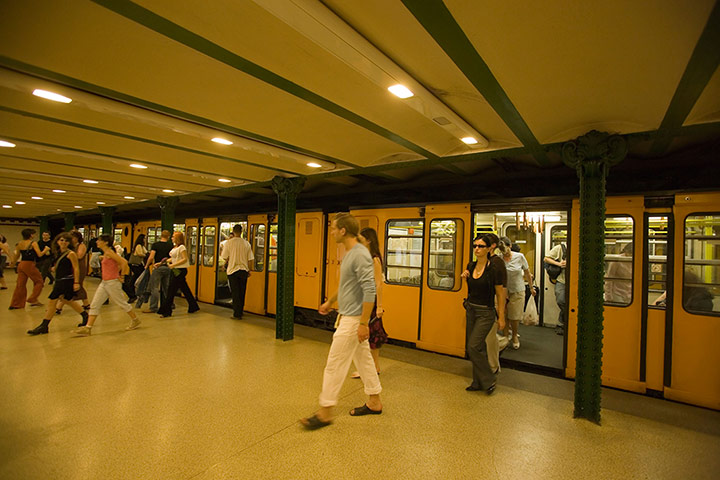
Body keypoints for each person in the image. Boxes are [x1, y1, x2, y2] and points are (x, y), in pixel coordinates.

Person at [300, 213, 382, 430]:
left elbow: (369, 290)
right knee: (364, 361)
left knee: (334, 364)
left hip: (354, 320)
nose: (333, 231)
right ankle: (374, 401)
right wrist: (330, 301)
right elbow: (345, 284)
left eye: (335, 228)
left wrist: (364, 322)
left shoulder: (360, 255)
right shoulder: (350, 253)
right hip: (348, 316)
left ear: (343, 230)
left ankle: (325, 412)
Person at [71, 235, 140, 336]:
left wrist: (122, 276)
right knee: (95, 304)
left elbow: (124, 262)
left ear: (106, 242)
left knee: (122, 303)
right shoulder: (106, 253)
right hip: (104, 283)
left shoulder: (109, 252)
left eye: (99, 240)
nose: (97, 242)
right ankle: (88, 328)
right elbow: (117, 264)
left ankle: (135, 320)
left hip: (112, 283)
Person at [463, 234, 506, 394]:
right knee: (477, 348)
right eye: (475, 246)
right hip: (471, 309)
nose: (477, 249)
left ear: (489, 248)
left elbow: (500, 294)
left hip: (485, 312)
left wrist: (501, 316)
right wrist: (465, 277)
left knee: (473, 346)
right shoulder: (471, 266)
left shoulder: (493, 269)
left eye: (481, 246)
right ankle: (477, 381)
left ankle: (489, 378)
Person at [27, 233, 89, 335]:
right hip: (59, 279)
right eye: (61, 240)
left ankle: (44, 325)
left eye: (66, 241)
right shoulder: (58, 253)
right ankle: (85, 315)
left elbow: (76, 268)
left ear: (69, 243)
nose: (63, 242)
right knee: (68, 300)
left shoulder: (71, 254)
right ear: (57, 241)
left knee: (52, 301)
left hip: (66, 281)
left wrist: (76, 282)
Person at [350, 227, 388, 378]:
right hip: (365, 300)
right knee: (371, 337)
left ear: (369, 240)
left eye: (361, 239)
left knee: (368, 337)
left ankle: (369, 369)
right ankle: (374, 368)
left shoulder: (374, 259)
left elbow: (378, 284)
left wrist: (379, 306)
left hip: (370, 303)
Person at [499, 236, 535, 350]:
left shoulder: (520, 257)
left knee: (514, 316)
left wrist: (531, 287)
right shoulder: (499, 259)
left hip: (517, 289)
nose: (504, 253)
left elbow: (527, 273)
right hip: (503, 290)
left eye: (506, 250)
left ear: (510, 246)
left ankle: (514, 335)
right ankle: (505, 336)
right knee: (504, 314)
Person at [156, 231, 200, 317]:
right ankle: (193, 306)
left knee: (171, 290)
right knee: (185, 289)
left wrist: (173, 265)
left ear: (177, 238)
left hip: (180, 270)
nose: (172, 238)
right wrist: (160, 263)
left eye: (173, 236)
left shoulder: (182, 247)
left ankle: (166, 311)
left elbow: (185, 259)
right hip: (176, 270)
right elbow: (172, 258)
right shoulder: (175, 247)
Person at [9, 228, 49, 310]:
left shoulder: (19, 243)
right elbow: (39, 254)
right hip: (29, 264)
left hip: (21, 264)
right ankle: (33, 298)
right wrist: (45, 250)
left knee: (20, 285)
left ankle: (16, 304)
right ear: (31, 235)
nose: (34, 235)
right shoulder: (33, 243)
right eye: (33, 234)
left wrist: (12, 263)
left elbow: (16, 256)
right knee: (39, 281)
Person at [221, 225, 253, 319]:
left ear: (233, 231)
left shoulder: (229, 243)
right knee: (242, 292)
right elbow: (250, 258)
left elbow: (224, 256)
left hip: (232, 270)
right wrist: (250, 270)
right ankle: (241, 310)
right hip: (243, 270)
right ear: (241, 231)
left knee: (235, 292)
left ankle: (237, 313)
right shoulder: (246, 243)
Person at [56, 230, 91, 318]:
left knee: (76, 285)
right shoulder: (70, 246)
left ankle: (58, 307)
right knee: (75, 286)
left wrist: (69, 253)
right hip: (70, 267)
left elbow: (79, 256)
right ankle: (86, 303)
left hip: (79, 267)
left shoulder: (81, 246)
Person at [137, 230, 173, 313]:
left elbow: (151, 257)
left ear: (161, 236)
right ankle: (169, 304)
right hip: (167, 268)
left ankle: (153, 307)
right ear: (168, 237)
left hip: (157, 268)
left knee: (155, 288)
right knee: (166, 288)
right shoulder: (170, 246)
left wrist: (147, 265)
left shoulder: (155, 245)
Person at [544, 242, 567, 335]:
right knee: (561, 300)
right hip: (562, 280)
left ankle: (562, 324)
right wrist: (559, 264)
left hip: (576, 281)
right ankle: (565, 322)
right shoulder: (561, 248)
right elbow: (546, 258)